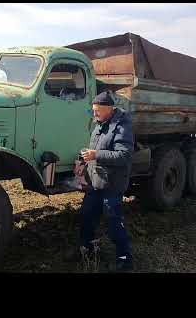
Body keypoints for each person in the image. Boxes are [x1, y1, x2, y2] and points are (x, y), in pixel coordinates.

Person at [74, 91, 134, 271]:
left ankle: (125, 259)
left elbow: (124, 155)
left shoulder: (122, 125)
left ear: (109, 109)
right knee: (86, 216)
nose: (94, 114)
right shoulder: (99, 124)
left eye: (97, 110)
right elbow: (93, 150)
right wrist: (82, 161)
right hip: (95, 182)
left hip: (112, 184)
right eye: (93, 110)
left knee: (113, 221)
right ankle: (88, 249)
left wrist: (96, 155)